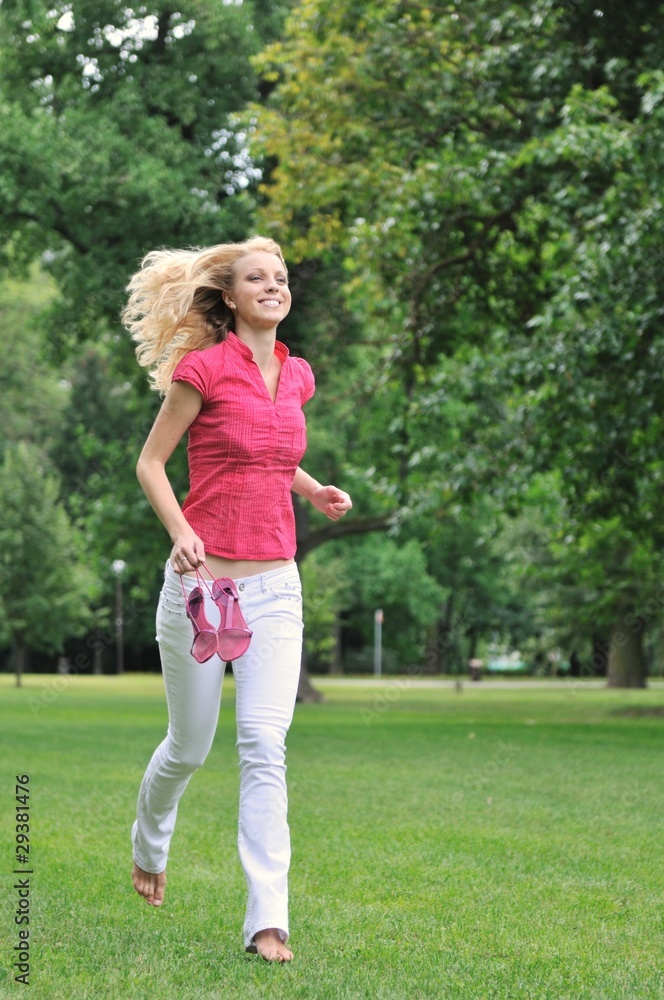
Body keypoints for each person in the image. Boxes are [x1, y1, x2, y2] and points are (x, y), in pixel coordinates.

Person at [122, 235, 352, 963]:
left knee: (263, 744)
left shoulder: (297, 374)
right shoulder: (203, 370)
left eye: (280, 277)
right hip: (202, 588)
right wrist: (181, 531)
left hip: (275, 584)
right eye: (257, 278)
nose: (274, 286)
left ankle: (267, 922)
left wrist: (312, 489)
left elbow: (270, 454)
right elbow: (151, 463)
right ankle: (149, 844)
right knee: (189, 746)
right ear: (230, 295)